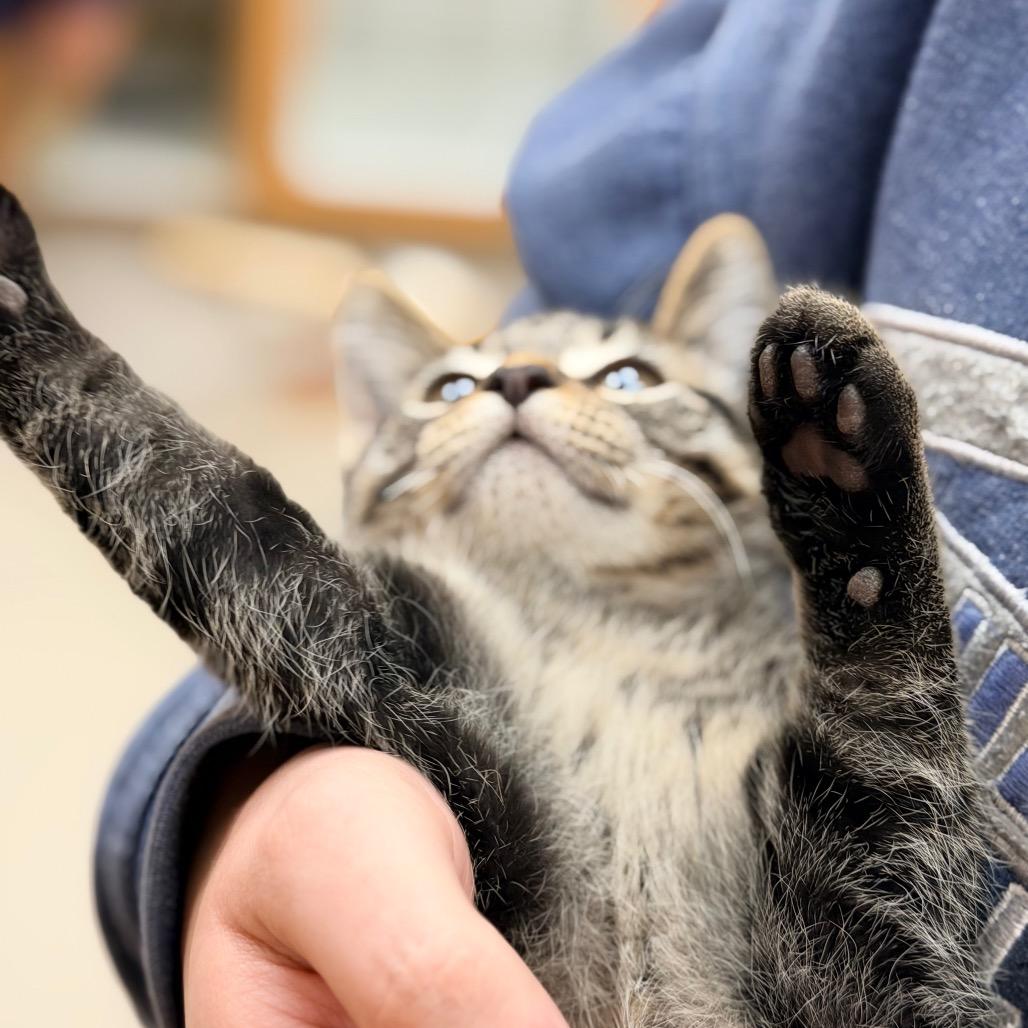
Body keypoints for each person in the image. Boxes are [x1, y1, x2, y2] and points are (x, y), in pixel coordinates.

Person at [96, 1, 1028, 1024]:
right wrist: (253, 787)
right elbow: (297, 604)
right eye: (451, 386)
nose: (523, 384)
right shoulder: (786, 55)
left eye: (623, 373)